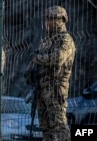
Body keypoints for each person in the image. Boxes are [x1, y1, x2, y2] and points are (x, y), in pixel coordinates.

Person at [24, 6, 76, 141]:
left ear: (62, 20)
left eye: (52, 19)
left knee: (59, 126)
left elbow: (58, 58)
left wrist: (37, 59)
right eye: (47, 19)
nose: (48, 22)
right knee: (45, 127)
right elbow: (34, 61)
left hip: (55, 88)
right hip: (41, 89)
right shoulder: (46, 41)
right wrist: (30, 70)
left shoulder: (65, 40)